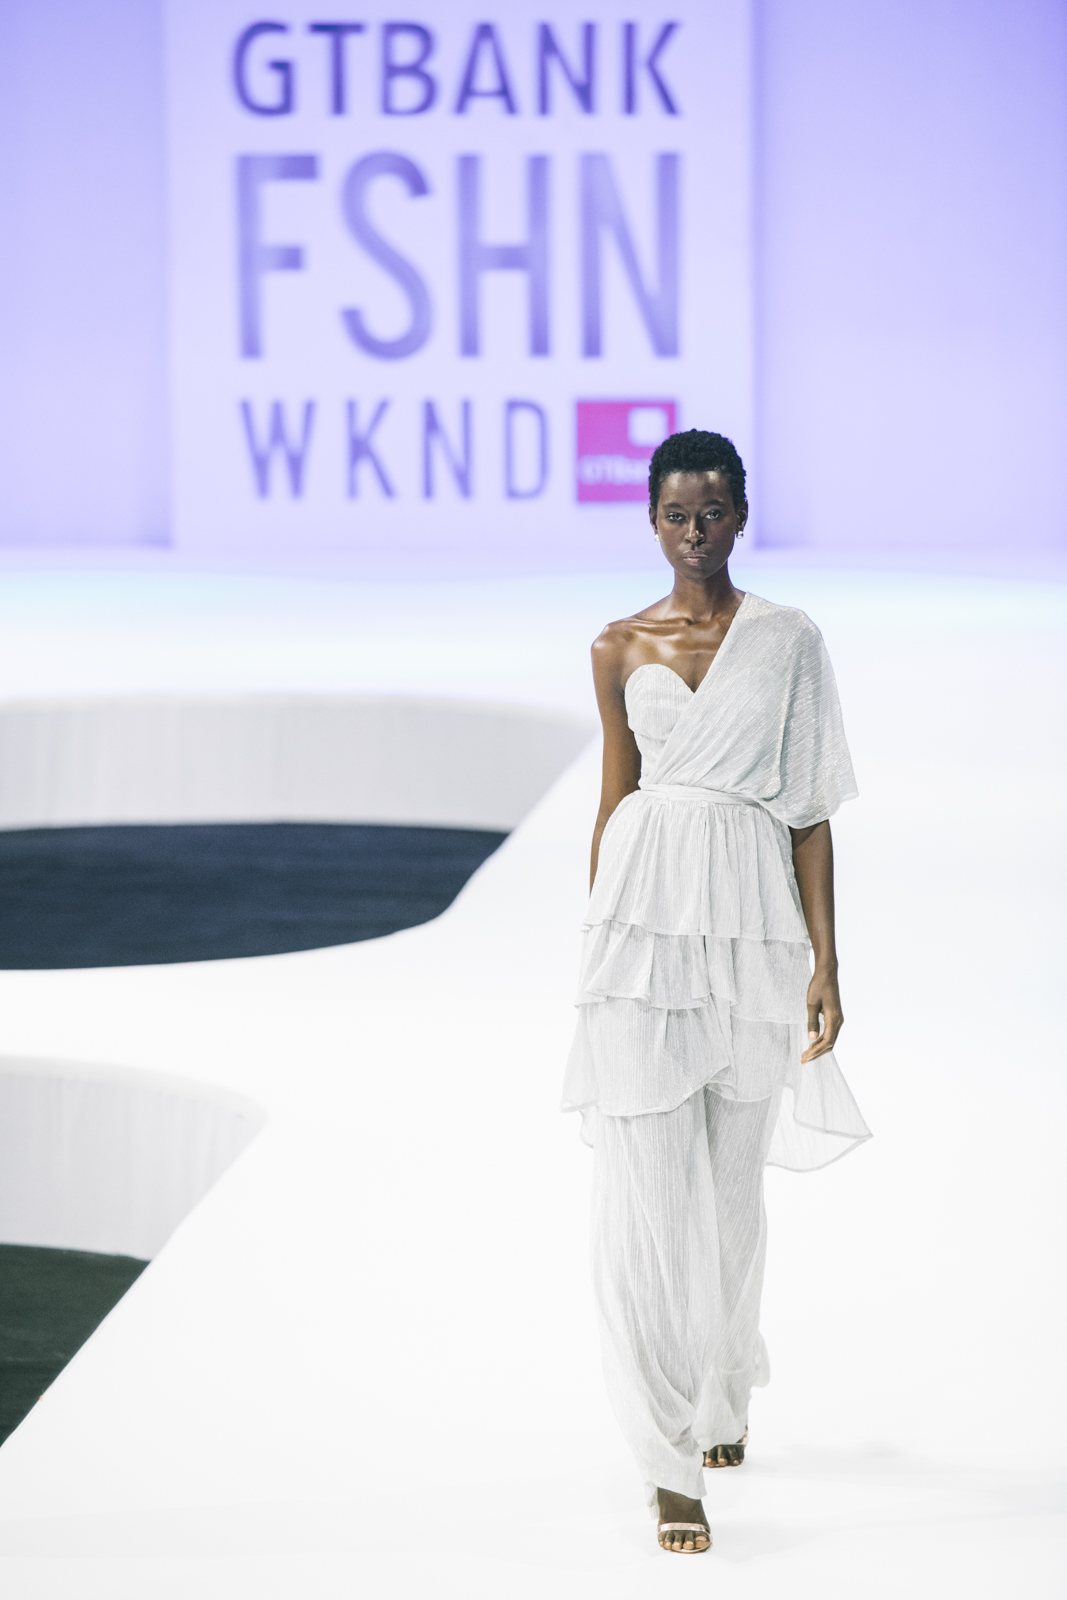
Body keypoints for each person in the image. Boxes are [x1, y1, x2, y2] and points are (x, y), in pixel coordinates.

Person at [562, 429, 871, 1554]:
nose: (692, 533)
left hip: (751, 932)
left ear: (741, 515)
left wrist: (824, 961)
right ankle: (666, 1465)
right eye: (674, 515)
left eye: (711, 513)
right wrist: (597, 951)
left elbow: (809, 810)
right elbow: (615, 800)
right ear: (649, 520)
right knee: (648, 1201)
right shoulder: (615, 645)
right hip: (640, 937)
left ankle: (721, 1394)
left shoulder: (787, 641)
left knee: (731, 1197)